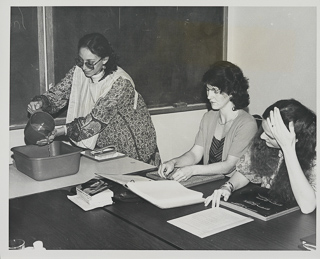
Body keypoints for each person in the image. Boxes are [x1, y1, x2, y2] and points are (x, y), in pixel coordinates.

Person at [27, 33, 160, 166]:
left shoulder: (120, 83)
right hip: (106, 148)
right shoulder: (78, 71)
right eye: (80, 60)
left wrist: (60, 131)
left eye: (90, 63)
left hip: (136, 149)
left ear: (104, 60)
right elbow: (59, 94)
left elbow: (94, 121)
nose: (84, 67)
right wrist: (41, 102)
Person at [205, 99, 317, 214]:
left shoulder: (314, 157)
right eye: (263, 130)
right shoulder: (265, 142)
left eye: (270, 136)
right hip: (271, 210)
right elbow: (246, 171)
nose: (262, 136)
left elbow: (307, 207)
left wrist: (288, 148)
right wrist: (228, 187)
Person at [158, 61, 258, 181]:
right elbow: (195, 154)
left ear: (231, 92)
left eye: (215, 91)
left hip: (231, 186)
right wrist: (174, 162)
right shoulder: (209, 117)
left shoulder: (247, 124)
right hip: (210, 182)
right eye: (208, 89)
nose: (209, 96)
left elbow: (229, 166)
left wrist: (193, 170)